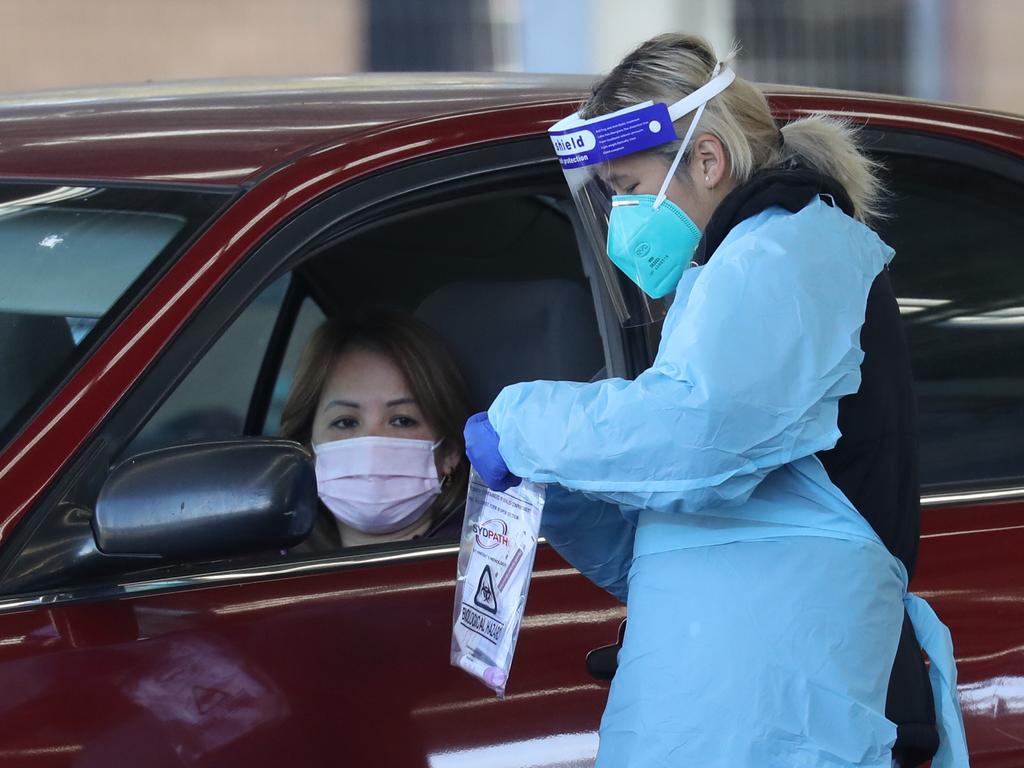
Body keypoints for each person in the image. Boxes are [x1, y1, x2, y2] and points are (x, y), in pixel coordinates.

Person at [464, 34, 969, 768]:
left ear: (707, 160)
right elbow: (683, 541)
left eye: (630, 189)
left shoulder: (791, 253)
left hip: (774, 720)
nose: (622, 218)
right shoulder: (733, 274)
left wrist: (523, 424)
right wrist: (563, 492)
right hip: (720, 719)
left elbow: (696, 435)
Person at [281, 309, 470, 549]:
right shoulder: (272, 570)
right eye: (346, 422)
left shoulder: (482, 567)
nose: (371, 442)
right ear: (307, 450)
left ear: (450, 452)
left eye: (401, 420)